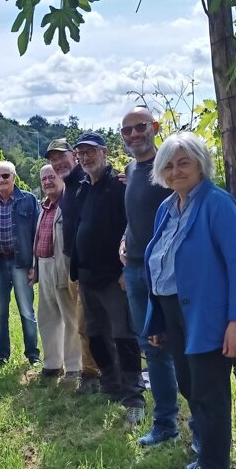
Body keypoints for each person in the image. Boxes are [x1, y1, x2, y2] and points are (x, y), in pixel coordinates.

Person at [143, 131, 236, 469]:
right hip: (175, 313)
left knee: (210, 394)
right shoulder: (167, 208)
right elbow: (160, 266)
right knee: (191, 390)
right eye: (169, 165)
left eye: (184, 162)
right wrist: (158, 320)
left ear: (200, 165)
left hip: (209, 316)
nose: (176, 171)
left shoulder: (217, 205)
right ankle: (205, 458)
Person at [69, 132, 147, 423]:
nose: (86, 158)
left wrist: (127, 271)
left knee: (123, 336)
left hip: (114, 277)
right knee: (96, 336)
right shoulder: (82, 188)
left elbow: (131, 229)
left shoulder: (119, 186)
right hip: (87, 277)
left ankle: (134, 398)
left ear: (104, 152)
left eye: (91, 152)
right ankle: (111, 385)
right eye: (82, 154)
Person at [117, 108, 181, 447]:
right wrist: (125, 239)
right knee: (151, 346)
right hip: (136, 270)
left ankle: (196, 427)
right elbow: (134, 216)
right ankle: (165, 424)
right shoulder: (132, 169)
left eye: (140, 127)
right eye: (126, 131)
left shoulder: (168, 170)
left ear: (155, 128)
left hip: (165, 273)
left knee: (177, 347)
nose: (133, 135)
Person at [45, 138, 102, 392]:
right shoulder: (68, 186)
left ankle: (94, 374)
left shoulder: (85, 183)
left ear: (74, 156)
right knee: (82, 322)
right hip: (72, 263)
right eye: (53, 160)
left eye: (61, 157)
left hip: (89, 264)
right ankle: (90, 372)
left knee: (88, 321)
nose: (58, 163)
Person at [0, 160, 40, 367]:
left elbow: (37, 235)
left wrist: (35, 265)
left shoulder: (29, 201)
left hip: (22, 263)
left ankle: (33, 355)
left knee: (26, 311)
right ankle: (1, 355)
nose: (1, 180)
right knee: (0, 313)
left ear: (14, 177)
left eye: (5, 176)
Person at [33, 164, 82, 378]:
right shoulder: (44, 207)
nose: (47, 182)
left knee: (70, 319)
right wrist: (34, 268)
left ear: (61, 178)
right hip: (44, 266)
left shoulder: (68, 203)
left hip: (62, 265)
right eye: (43, 179)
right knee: (47, 317)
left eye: (51, 177)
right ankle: (52, 364)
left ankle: (73, 367)